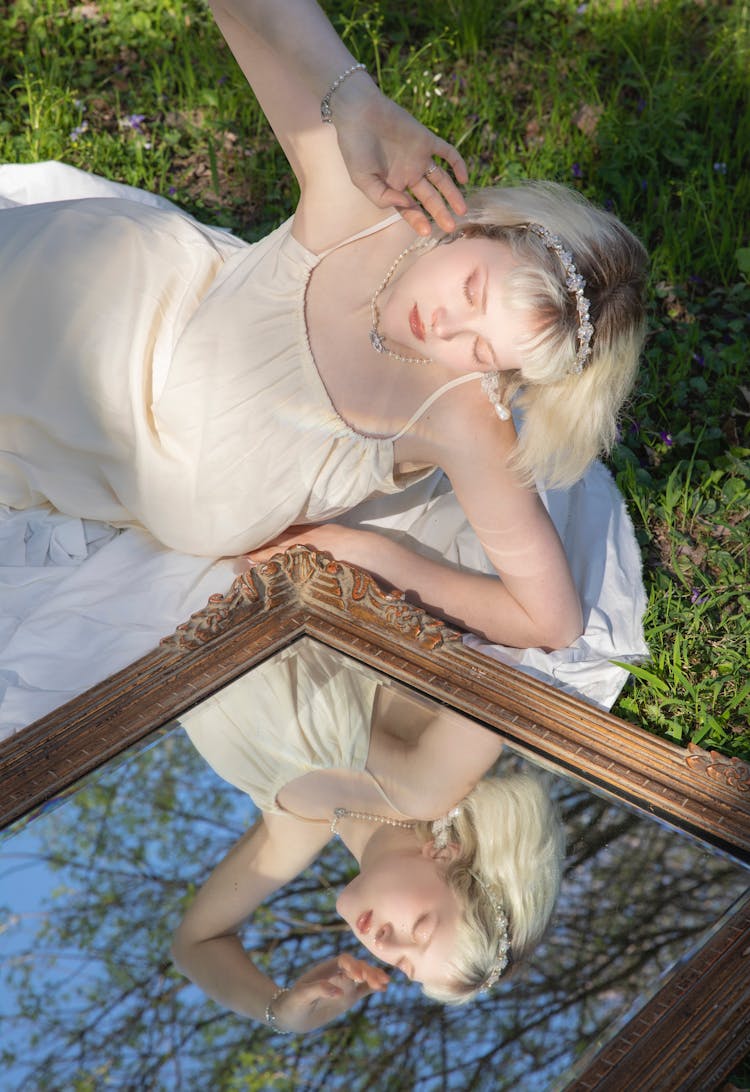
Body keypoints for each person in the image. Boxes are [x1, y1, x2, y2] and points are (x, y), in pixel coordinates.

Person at [0, 0, 648, 652]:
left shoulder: (458, 417)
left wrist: (365, 553)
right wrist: (357, 99)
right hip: (74, 294)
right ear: (480, 226)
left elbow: (551, 620)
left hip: (68, 430)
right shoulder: (369, 208)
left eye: (482, 347)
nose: (445, 327)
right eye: (473, 288)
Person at [172, 641, 564, 1032]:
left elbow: (194, 945)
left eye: (401, 965)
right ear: (447, 853)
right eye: (422, 929)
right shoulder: (427, 783)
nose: (385, 945)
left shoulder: (295, 828)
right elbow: (512, 660)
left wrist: (283, 1011)